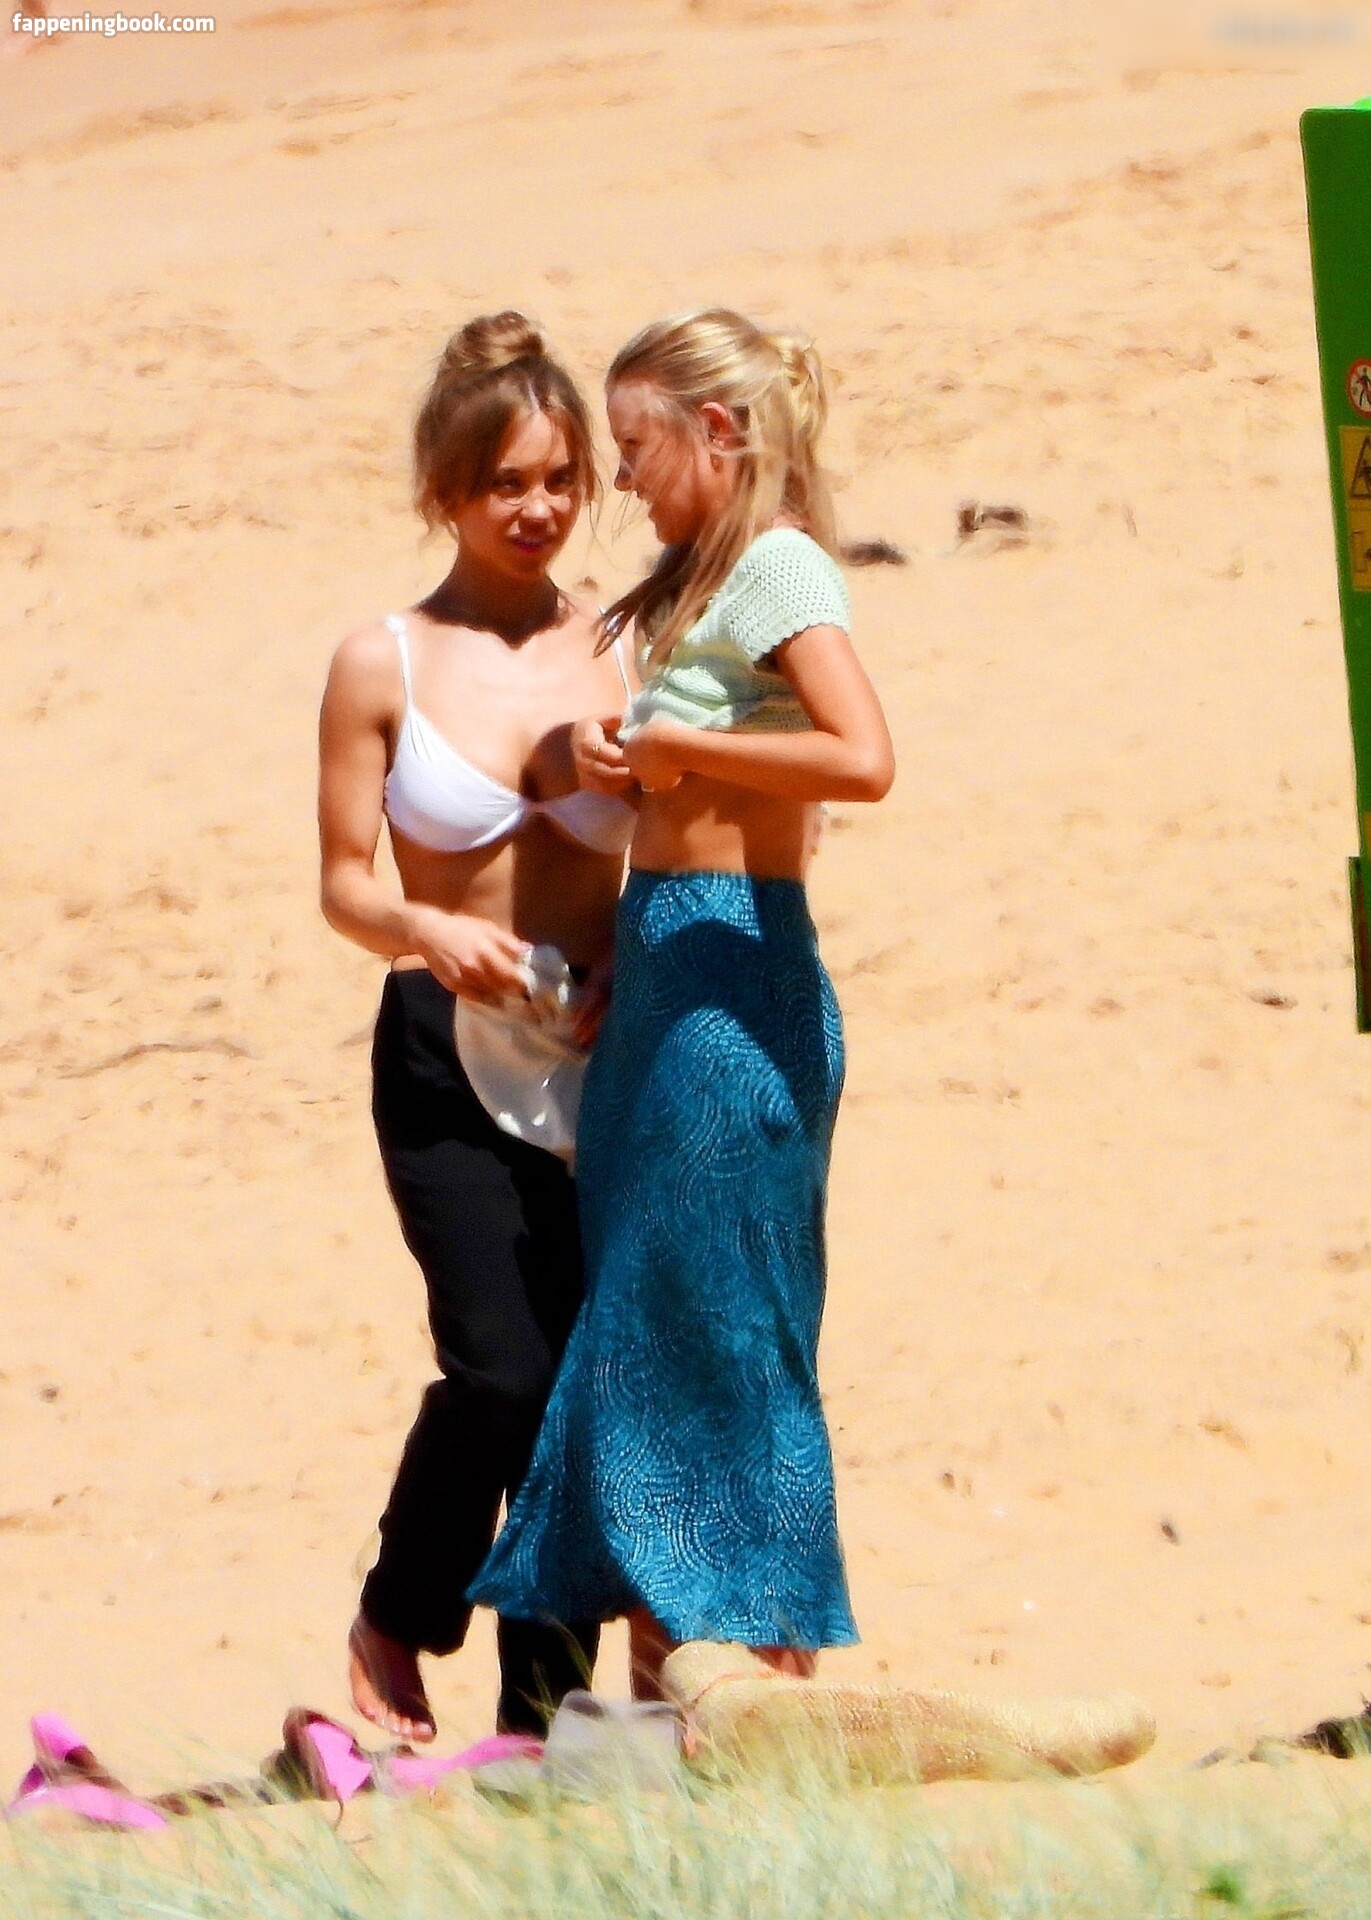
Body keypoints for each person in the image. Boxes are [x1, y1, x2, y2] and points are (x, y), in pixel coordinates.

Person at [469, 308, 895, 1697]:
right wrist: (627, 757)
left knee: (724, 1325)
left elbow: (863, 756)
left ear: (718, 433)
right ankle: (675, 1702)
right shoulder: (701, 579)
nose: (628, 480)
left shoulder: (778, 564)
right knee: (653, 1326)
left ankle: (757, 1686)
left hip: (733, 980)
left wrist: (681, 750)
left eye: (641, 447)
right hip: (665, 970)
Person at [317, 312, 637, 1740]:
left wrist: (633, 952)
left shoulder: (624, 641)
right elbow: (343, 883)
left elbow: (689, 840)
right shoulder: (380, 661)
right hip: (440, 1049)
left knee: (583, 1385)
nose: (538, 508)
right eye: (506, 481)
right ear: (445, 489)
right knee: (503, 1370)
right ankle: (396, 1617)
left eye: (562, 478)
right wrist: (427, 927)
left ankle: (543, 1715)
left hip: (595, 1051)